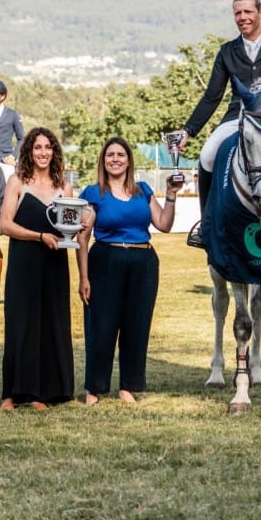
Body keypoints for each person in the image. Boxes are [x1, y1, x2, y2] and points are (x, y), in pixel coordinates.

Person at [165, 0, 261, 247]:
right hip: (238, 116)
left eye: (248, 12)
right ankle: (207, 224)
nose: (242, 17)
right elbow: (213, 95)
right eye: (237, 13)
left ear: (260, 13)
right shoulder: (226, 52)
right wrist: (189, 130)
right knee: (208, 154)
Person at [76, 137, 183, 405]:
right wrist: (84, 277)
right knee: (101, 325)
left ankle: (128, 386)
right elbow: (82, 238)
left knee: (137, 325)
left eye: (120, 154)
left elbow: (164, 224)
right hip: (106, 259)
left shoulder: (143, 190)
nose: (115, 159)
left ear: (128, 160)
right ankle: (94, 388)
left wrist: (171, 196)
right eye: (110, 154)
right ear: (103, 160)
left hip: (143, 261)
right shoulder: (92, 194)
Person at [0, 127, 78, 410]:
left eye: (48, 148)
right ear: (29, 152)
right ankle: (10, 394)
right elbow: (5, 225)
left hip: (55, 265)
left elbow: (69, 227)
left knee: (50, 324)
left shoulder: (64, 187)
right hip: (24, 262)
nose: (43, 153)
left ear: (55, 152)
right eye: (37, 148)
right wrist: (39, 236)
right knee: (20, 323)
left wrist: (84, 221)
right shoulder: (17, 182)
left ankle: (40, 393)